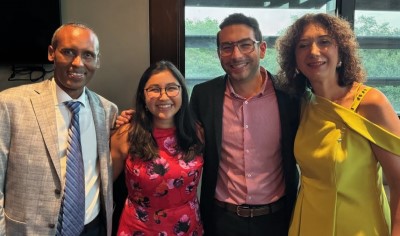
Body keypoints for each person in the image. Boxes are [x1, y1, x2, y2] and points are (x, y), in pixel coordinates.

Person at [275, 13, 400, 235]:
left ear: (341, 52)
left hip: (359, 226)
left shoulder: (371, 103)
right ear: (294, 60)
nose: (313, 52)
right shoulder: (304, 105)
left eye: (324, 42)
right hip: (308, 224)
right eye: (303, 45)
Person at [0, 23, 118, 235]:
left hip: (92, 228)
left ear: (97, 61)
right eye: (68, 52)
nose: (78, 63)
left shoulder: (107, 110)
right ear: (51, 53)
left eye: (88, 55)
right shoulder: (10, 104)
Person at [189, 13, 299, 235]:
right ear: (219, 53)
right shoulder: (203, 96)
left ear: (262, 49)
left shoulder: (290, 95)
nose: (236, 55)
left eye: (245, 45)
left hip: (277, 219)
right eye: (227, 47)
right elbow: (178, 133)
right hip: (222, 220)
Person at [111, 60, 204, 235]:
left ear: (182, 93)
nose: (163, 96)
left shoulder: (197, 132)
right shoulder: (125, 135)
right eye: (154, 89)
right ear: (143, 96)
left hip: (187, 228)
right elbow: (103, 187)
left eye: (171, 88)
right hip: (138, 229)